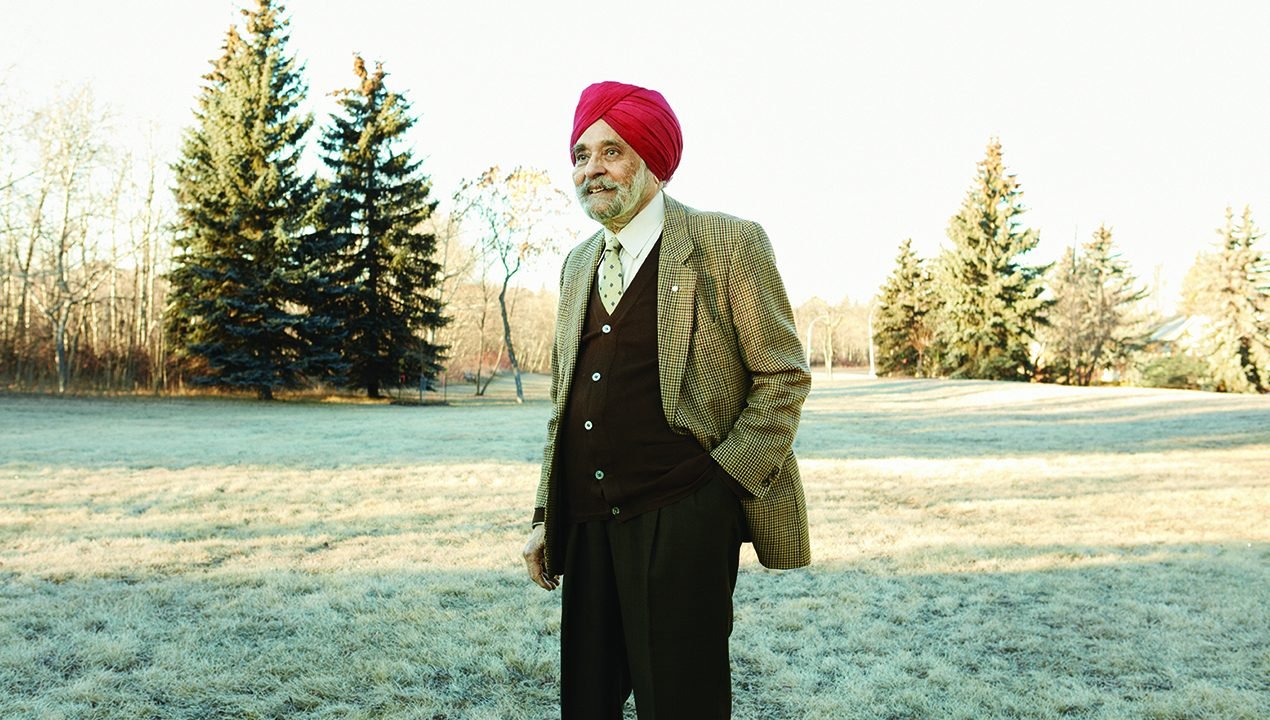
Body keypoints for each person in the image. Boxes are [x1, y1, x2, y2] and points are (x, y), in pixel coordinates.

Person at [522, 80, 811, 719]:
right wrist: (547, 514)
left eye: (611, 151)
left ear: (651, 159)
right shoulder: (576, 265)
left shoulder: (727, 243)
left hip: (684, 514)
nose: (591, 169)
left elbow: (783, 377)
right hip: (586, 522)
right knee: (586, 705)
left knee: (681, 704)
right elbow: (562, 405)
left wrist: (722, 485)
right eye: (580, 155)